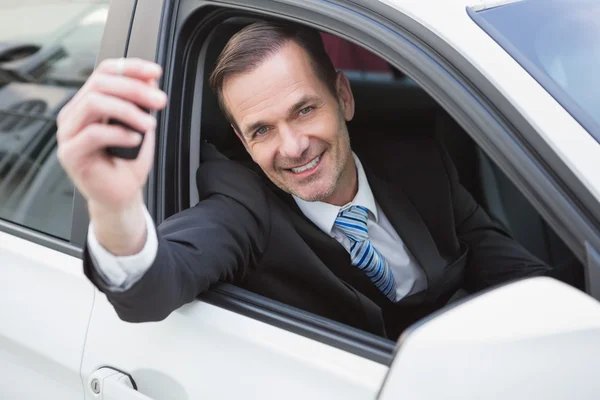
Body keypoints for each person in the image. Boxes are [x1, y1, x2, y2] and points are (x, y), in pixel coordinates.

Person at [57, 21, 553, 339]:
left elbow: (519, 277)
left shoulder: (420, 164)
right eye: (263, 129)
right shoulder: (241, 209)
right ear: (243, 141)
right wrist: (114, 208)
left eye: (305, 109)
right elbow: (150, 289)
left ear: (344, 96)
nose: (292, 146)